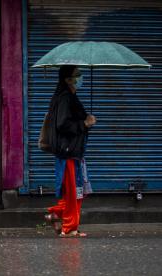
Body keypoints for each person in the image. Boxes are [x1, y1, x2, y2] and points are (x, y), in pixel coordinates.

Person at [44, 65, 96, 238]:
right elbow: (62, 124)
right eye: (77, 75)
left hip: (72, 152)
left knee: (74, 191)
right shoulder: (66, 98)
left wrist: (85, 120)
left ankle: (56, 214)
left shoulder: (69, 96)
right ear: (67, 79)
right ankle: (69, 228)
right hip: (69, 152)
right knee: (74, 191)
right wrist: (84, 124)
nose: (80, 77)